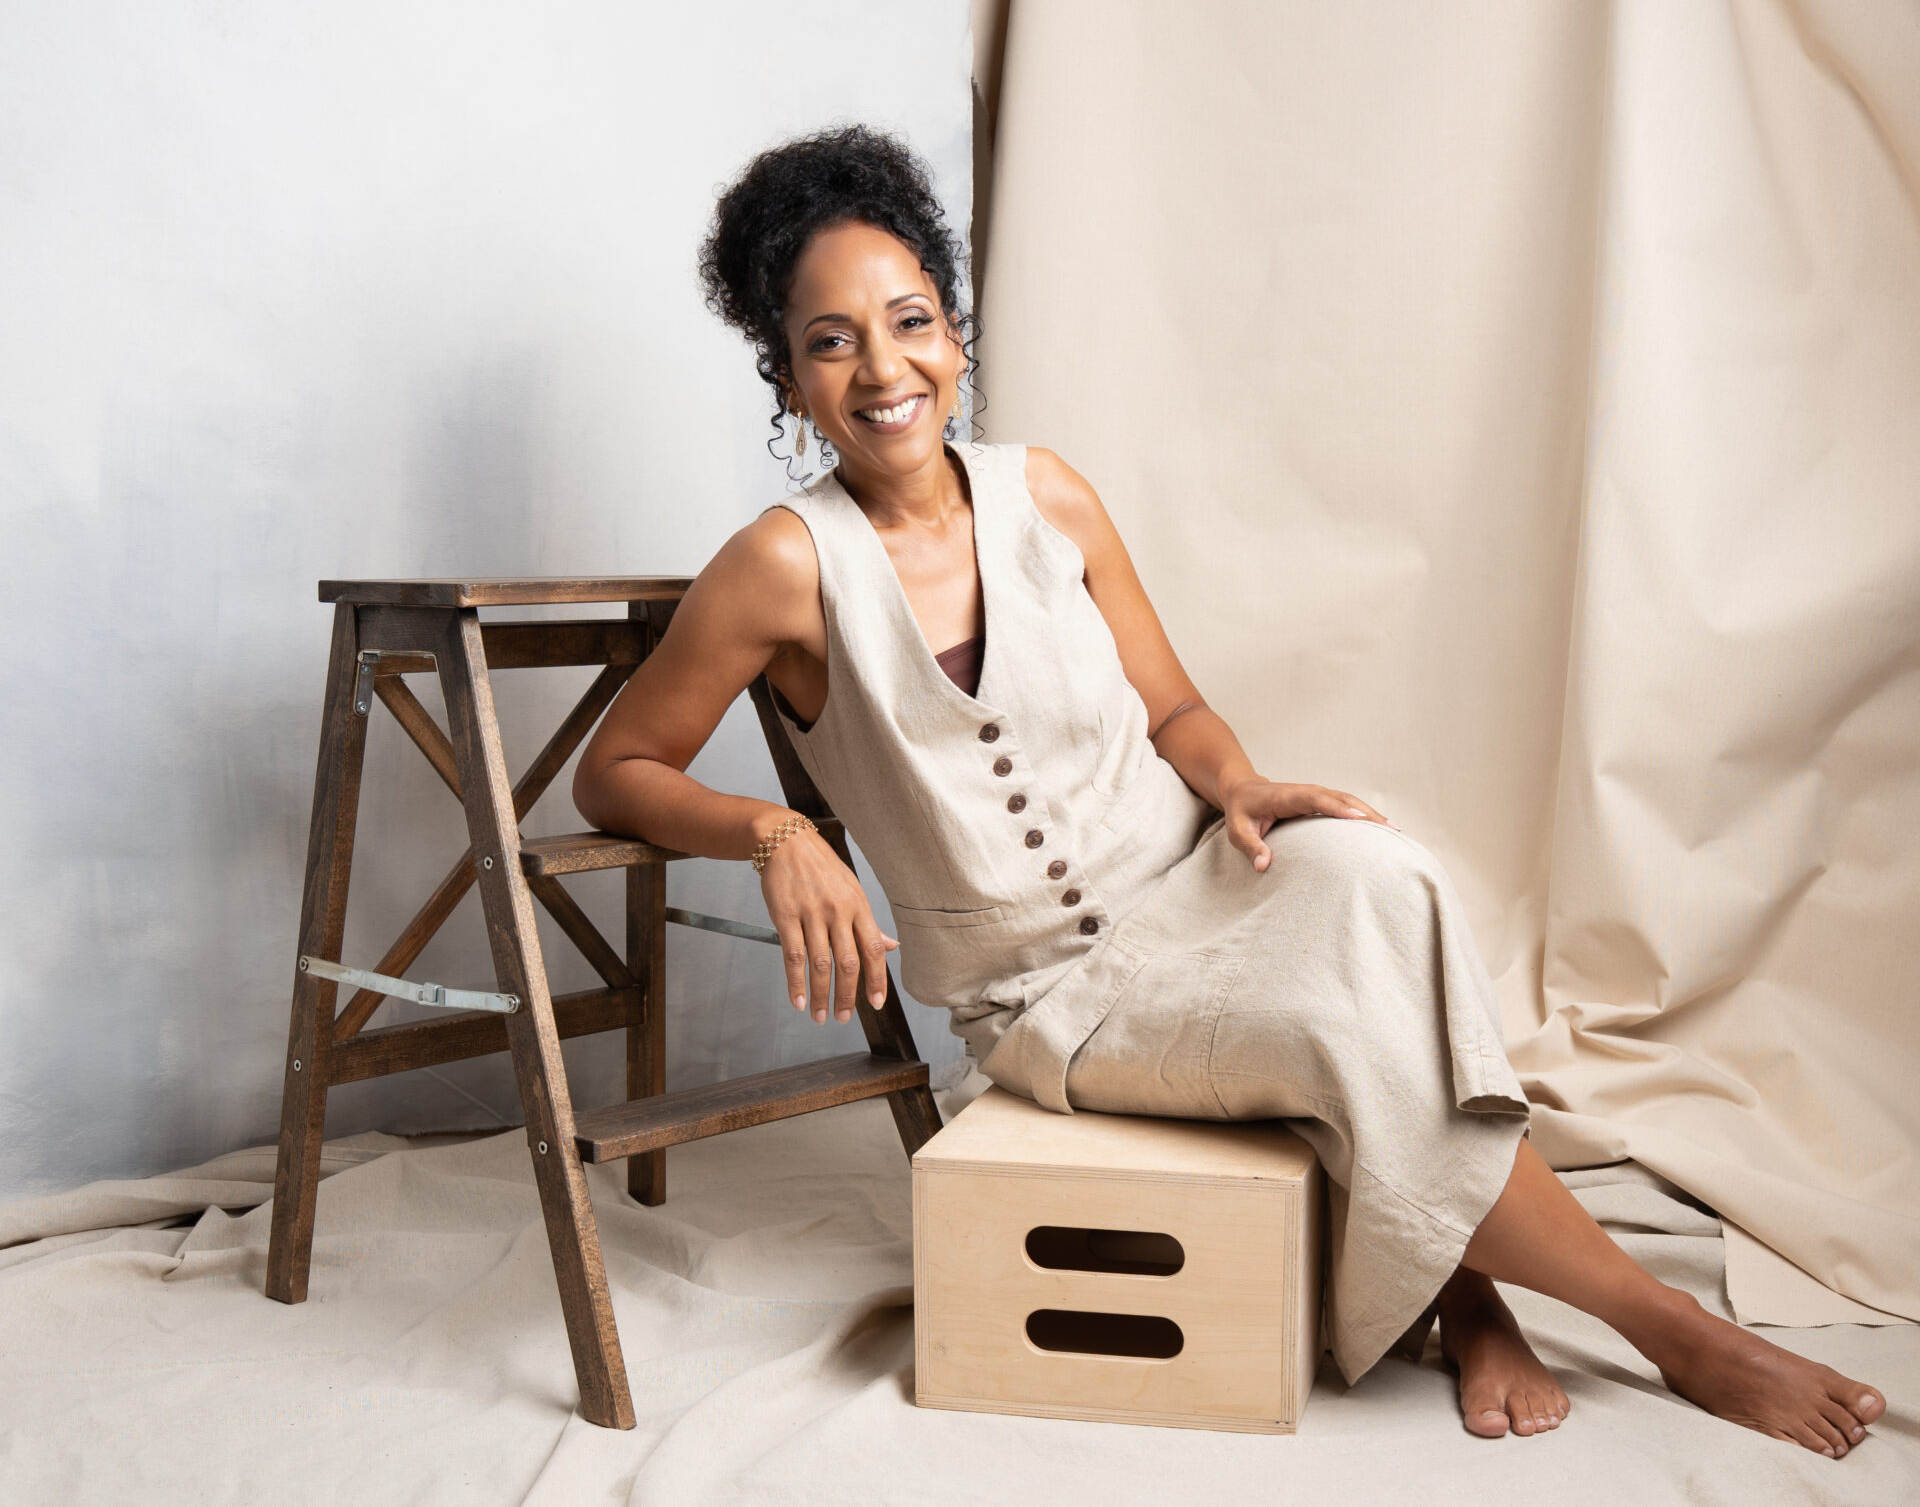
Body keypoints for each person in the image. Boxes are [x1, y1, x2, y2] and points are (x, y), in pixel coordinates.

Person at [572, 125, 1886, 1456]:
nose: (882, 367)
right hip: (1053, 997)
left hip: (1196, 877)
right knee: (1343, 1028)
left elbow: (1176, 712)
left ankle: (1471, 1290)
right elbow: (615, 772)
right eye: (831, 341)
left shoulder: (1049, 497)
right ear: (789, 378)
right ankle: (1667, 1327)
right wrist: (774, 831)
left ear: (956, 335)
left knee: (1388, 877)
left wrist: (1243, 785)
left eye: (910, 321)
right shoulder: (782, 566)